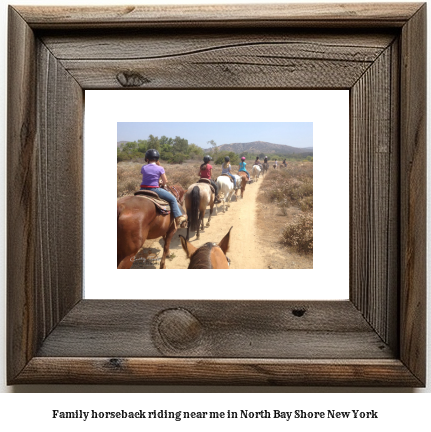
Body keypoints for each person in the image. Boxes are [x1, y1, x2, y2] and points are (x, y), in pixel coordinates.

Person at [140, 149, 187, 227]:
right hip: (154, 189)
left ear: (147, 159)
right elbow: (165, 181)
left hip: (142, 190)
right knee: (172, 199)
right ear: (157, 159)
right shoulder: (160, 168)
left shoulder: (144, 167)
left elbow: (146, 177)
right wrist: (161, 182)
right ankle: (178, 217)